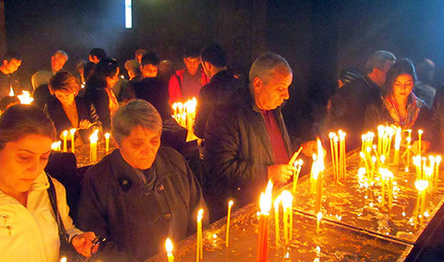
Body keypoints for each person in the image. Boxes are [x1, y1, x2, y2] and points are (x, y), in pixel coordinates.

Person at [77, 99, 206, 261]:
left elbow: (198, 213)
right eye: (137, 144)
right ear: (117, 142)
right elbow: (95, 241)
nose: (148, 150)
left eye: (154, 141)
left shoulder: (174, 161)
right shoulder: (99, 178)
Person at [0, 104, 97, 261]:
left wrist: (75, 238)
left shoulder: (50, 188)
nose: (35, 169)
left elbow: (64, 228)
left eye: (43, 157)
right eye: (24, 157)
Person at [203, 52, 295, 221]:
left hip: (277, 201)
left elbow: (272, 144)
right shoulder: (228, 114)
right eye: (281, 88)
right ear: (258, 84)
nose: (286, 95)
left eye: (288, 88)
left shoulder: (273, 108)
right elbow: (218, 168)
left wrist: (302, 147)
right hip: (247, 210)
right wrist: (266, 174)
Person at [325, 50, 396, 151]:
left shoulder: (379, 91)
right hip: (349, 147)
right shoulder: (354, 91)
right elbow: (343, 122)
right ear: (376, 71)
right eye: (390, 72)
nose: (393, 76)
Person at [364, 58, 432, 152]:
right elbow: (369, 137)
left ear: (413, 83)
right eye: (397, 84)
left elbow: (430, 133)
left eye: (408, 84)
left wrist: (425, 142)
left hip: (412, 158)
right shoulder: (377, 107)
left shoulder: (421, 108)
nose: (403, 88)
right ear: (391, 84)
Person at [194, 43, 241, 139]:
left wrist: (193, 125)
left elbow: (200, 131)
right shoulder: (240, 85)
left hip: (218, 146)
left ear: (207, 65)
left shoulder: (207, 91)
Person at [45, 72, 99, 144]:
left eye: (67, 95)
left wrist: (90, 125)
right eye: (59, 96)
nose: (64, 99)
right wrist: (59, 135)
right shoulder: (51, 108)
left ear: (74, 91)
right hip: (65, 151)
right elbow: (46, 132)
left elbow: (98, 125)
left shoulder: (86, 103)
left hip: (87, 147)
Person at [84, 58, 120, 131]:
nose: (117, 79)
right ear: (103, 76)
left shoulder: (107, 90)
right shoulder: (100, 93)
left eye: (117, 75)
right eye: (113, 77)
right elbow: (104, 120)